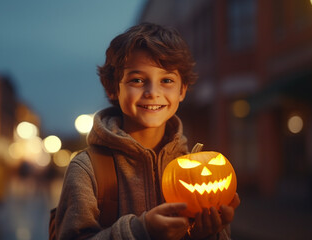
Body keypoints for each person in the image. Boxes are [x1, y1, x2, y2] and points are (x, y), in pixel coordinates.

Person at [54, 23, 240, 240]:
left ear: (182, 90)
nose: (152, 92)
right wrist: (142, 231)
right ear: (113, 88)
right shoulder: (87, 169)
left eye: (167, 80)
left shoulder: (194, 170)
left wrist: (203, 235)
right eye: (137, 80)